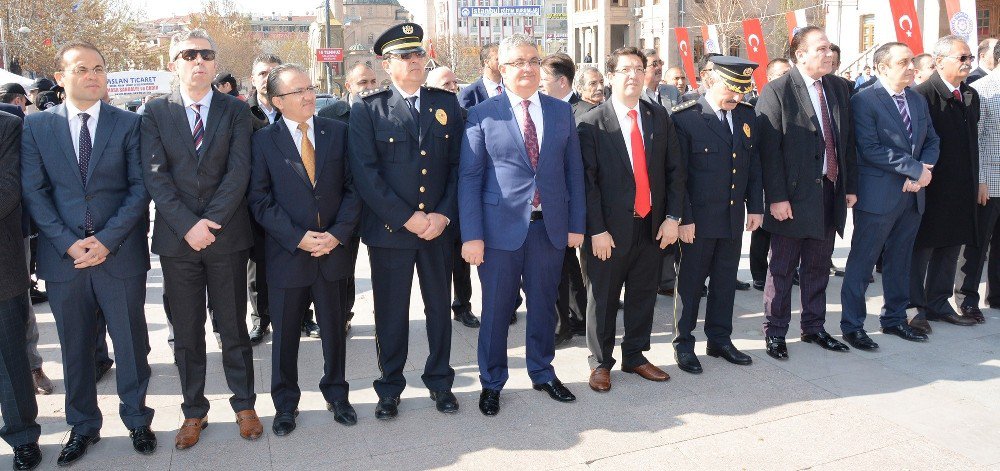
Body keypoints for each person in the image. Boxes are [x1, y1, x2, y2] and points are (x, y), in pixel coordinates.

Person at [21, 41, 156, 465]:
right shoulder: (37, 127)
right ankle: (82, 427)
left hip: (119, 256)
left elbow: (140, 188)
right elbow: (35, 192)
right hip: (65, 260)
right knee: (75, 348)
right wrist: (68, 242)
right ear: (61, 78)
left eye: (99, 67)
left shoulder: (129, 124)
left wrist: (106, 240)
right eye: (81, 69)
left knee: (132, 343)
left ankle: (138, 420)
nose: (93, 75)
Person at [141, 29, 263, 449]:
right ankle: (194, 411)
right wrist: (187, 225)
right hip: (178, 243)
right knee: (187, 332)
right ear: (172, 62)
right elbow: (155, 176)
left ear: (214, 62)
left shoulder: (235, 110)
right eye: (188, 54)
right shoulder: (155, 111)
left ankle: (244, 404)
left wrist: (208, 222)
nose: (199, 61)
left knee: (232, 327)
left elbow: (238, 172)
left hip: (226, 238)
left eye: (206, 54)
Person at [460, 34, 585, 415]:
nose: (527, 68)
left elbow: (573, 173)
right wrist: (473, 236)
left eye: (533, 60)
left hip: (549, 229)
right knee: (496, 312)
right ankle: (492, 382)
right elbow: (469, 178)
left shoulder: (561, 111)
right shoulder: (484, 113)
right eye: (517, 62)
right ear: (502, 67)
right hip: (498, 233)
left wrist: (576, 224)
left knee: (545, 306)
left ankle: (542, 372)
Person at [349, 23, 464, 420]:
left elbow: (455, 168)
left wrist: (443, 214)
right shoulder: (368, 108)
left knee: (438, 310)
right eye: (405, 56)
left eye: (418, 54)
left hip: (436, 229)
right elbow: (366, 175)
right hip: (390, 232)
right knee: (391, 313)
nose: (415, 61)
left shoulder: (445, 103)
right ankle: (390, 387)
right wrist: (407, 218)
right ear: (386, 63)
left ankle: (440, 382)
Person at [249, 63, 362, 435]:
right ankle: (285, 404)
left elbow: (353, 189)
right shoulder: (264, 141)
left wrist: (337, 234)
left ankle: (337, 393)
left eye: (310, 87)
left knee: (333, 328)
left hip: (333, 252)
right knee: (283, 337)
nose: (309, 95)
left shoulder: (338, 132)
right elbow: (260, 199)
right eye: (298, 91)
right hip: (288, 254)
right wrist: (297, 236)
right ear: (277, 101)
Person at [578, 47, 684, 391]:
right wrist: (597, 230)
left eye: (639, 69)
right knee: (604, 298)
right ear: (611, 76)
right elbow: (587, 183)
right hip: (608, 232)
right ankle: (600, 362)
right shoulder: (592, 123)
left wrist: (672, 218)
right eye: (625, 69)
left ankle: (635, 354)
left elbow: (674, 172)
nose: (633, 75)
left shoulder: (658, 117)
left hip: (651, 226)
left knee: (643, 294)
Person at [757, 26, 857, 360]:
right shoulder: (777, 91)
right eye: (822, 48)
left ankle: (814, 326)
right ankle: (775, 331)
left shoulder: (839, 88)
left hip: (829, 192)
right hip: (792, 198)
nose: (829, 54)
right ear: (801, 54)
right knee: (782, 268)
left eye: (830, 48)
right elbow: (768, 151)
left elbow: (846, 143)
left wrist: (848, 187)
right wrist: (776, 197)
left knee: (817, 265)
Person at [841, 42, 940, 349]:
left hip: (912, 196)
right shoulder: (864, 100)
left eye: (912, 61)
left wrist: (922, 170)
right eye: (904, 62)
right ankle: (852, 325)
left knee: (900, 260)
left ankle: (895, 319)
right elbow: (869, 148)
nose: (912, 67)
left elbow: (932, 140)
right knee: (863, 262)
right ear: (883, 68)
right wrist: (914, 170)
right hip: (878, 196)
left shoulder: (916, 98)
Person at [671, 56, 762, 374]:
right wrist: (684, 218)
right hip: (697, 221)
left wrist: (757, 207)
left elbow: (752, 167)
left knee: (725, 282)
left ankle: (719, 339)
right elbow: (677, 176)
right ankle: (683, 342)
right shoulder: (686, 118)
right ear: (711, 80)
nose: (737, 97)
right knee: (691, 285)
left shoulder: (747, 115)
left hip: (733, 217)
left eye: (741, 90)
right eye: (732, 89)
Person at [909, 36, 981, 333]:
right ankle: (913, 306)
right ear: (939, 62)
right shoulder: (922, 94)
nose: (967, 63)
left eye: (969, 58)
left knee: (951, 245)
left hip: (961, 185)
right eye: (961, 58)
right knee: (921, 248)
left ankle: (939, 302)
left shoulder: (971, 95)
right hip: (930, 185)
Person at [1, 108, 43, 471]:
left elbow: (8, 190)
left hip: (1, 266)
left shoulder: (8, 126)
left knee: (9, 360)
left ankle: (22, 437)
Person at [540, 52, 590, 345]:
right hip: (553, 204)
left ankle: (567, 324)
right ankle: (574, 318)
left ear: (561, 81)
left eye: (544, 80)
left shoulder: (582, 112)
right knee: (564, 267)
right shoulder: (545, 109)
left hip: (572, 204)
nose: (540, 86)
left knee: (566, 267)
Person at [428, 65, 481, 329]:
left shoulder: (466, 115)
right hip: (436, 204)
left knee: (462, 262)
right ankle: (436, 309)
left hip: (463, 202)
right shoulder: (424, 118)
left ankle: (463, 306)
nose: (451, 89)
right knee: (437, 264)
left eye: (453, 84)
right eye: (444, 85)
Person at [956, 41, 1000, 324]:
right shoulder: (984, 89)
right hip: (990, 181)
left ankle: (995, 295)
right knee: (977, 243)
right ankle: (967, 298)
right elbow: (978, 140)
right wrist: (981, 180)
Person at [459, 43, 502, 108]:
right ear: (486, 62)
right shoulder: (469, 95)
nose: (503, 62)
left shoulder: (513, 89)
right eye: (498, 59)